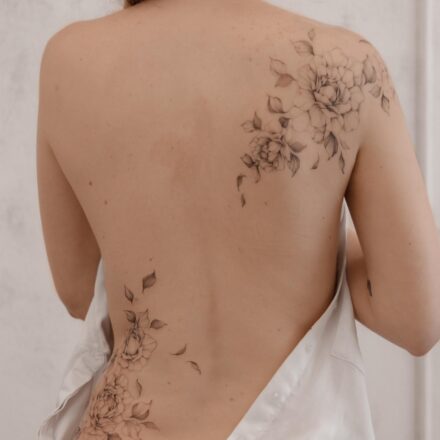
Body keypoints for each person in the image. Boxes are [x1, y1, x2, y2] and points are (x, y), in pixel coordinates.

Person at [36, 0, 440, 438]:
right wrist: (301, 240)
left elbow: (77, 289)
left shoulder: (68, 59)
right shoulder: (347, 65)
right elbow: (415, 320)